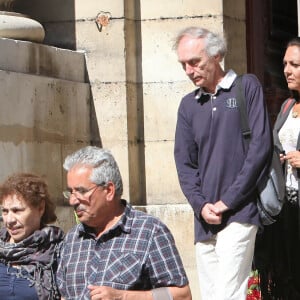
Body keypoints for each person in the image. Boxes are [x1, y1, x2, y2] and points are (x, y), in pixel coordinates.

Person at [173, 26, 273, 300]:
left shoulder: (246, 87)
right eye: (184, 64)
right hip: (204, 220)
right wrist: (201, 205)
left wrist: (226, 201)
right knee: (211, 295)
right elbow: (185, 165)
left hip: (239, 213)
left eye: (195, 62)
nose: (189, 71)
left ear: (216, 55)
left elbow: (260, 148)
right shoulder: (188, 106)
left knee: (229, 294)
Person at [56, 146, 192, 300]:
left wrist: (123, 297)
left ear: (109, 191)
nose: (73, 200)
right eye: (71, 192)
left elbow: (182, 295)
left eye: (81, 191)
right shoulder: (73, 239)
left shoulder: (149, 231)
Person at [257, 37, 300, 300]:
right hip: (286, 210)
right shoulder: (286, 106)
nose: (286, 70)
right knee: (288, 277)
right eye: (285, 63)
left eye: (295, 64)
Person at [0, 173, 64, 300]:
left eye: (17, 210)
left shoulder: (57, 250)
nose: (9, 220)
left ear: (40, 208)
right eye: (5, 211)